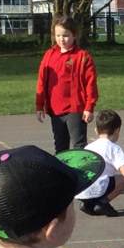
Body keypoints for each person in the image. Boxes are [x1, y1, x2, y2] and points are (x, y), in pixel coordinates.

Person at [34, 18, 97, 153]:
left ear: (74, 35)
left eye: (66, 35)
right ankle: (62, 168)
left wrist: (89, 107)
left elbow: (90, 84)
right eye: (58, 35)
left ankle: (79, 168)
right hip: (55, 109)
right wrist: (39, 105)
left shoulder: (82, 57)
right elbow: (41, 81)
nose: (61, 39)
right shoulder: (49, 55)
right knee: (60, 147)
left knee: (79, 146)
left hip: (75, 109)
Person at [75, 108, 124, 216]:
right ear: (117, 131)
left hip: (81, 190)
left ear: (96, 130)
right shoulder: (113, 148)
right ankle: (103, 203)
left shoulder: (88, 147)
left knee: (98, 179)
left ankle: (87, 204)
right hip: (98, 188)